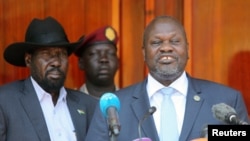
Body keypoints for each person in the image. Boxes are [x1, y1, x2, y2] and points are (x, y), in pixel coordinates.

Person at [85, 15, 249, 141]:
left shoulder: (226, 100)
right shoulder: (113, 107)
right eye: (156, 42)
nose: (166, 48)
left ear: (188, 49)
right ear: (144, 53)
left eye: (175, 41)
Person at [0, 16, 97, 141]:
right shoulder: (5, 102)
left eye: (61, 54)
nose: (56, 62)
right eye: (46, 54)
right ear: (29, 60)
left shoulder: (88, 105)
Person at [74, 26, 119, 98]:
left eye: (110, 53)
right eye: (94, 54)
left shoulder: (130, 102)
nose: (104, 59)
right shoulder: (68, 104)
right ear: (81, 63)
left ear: (118, 62)